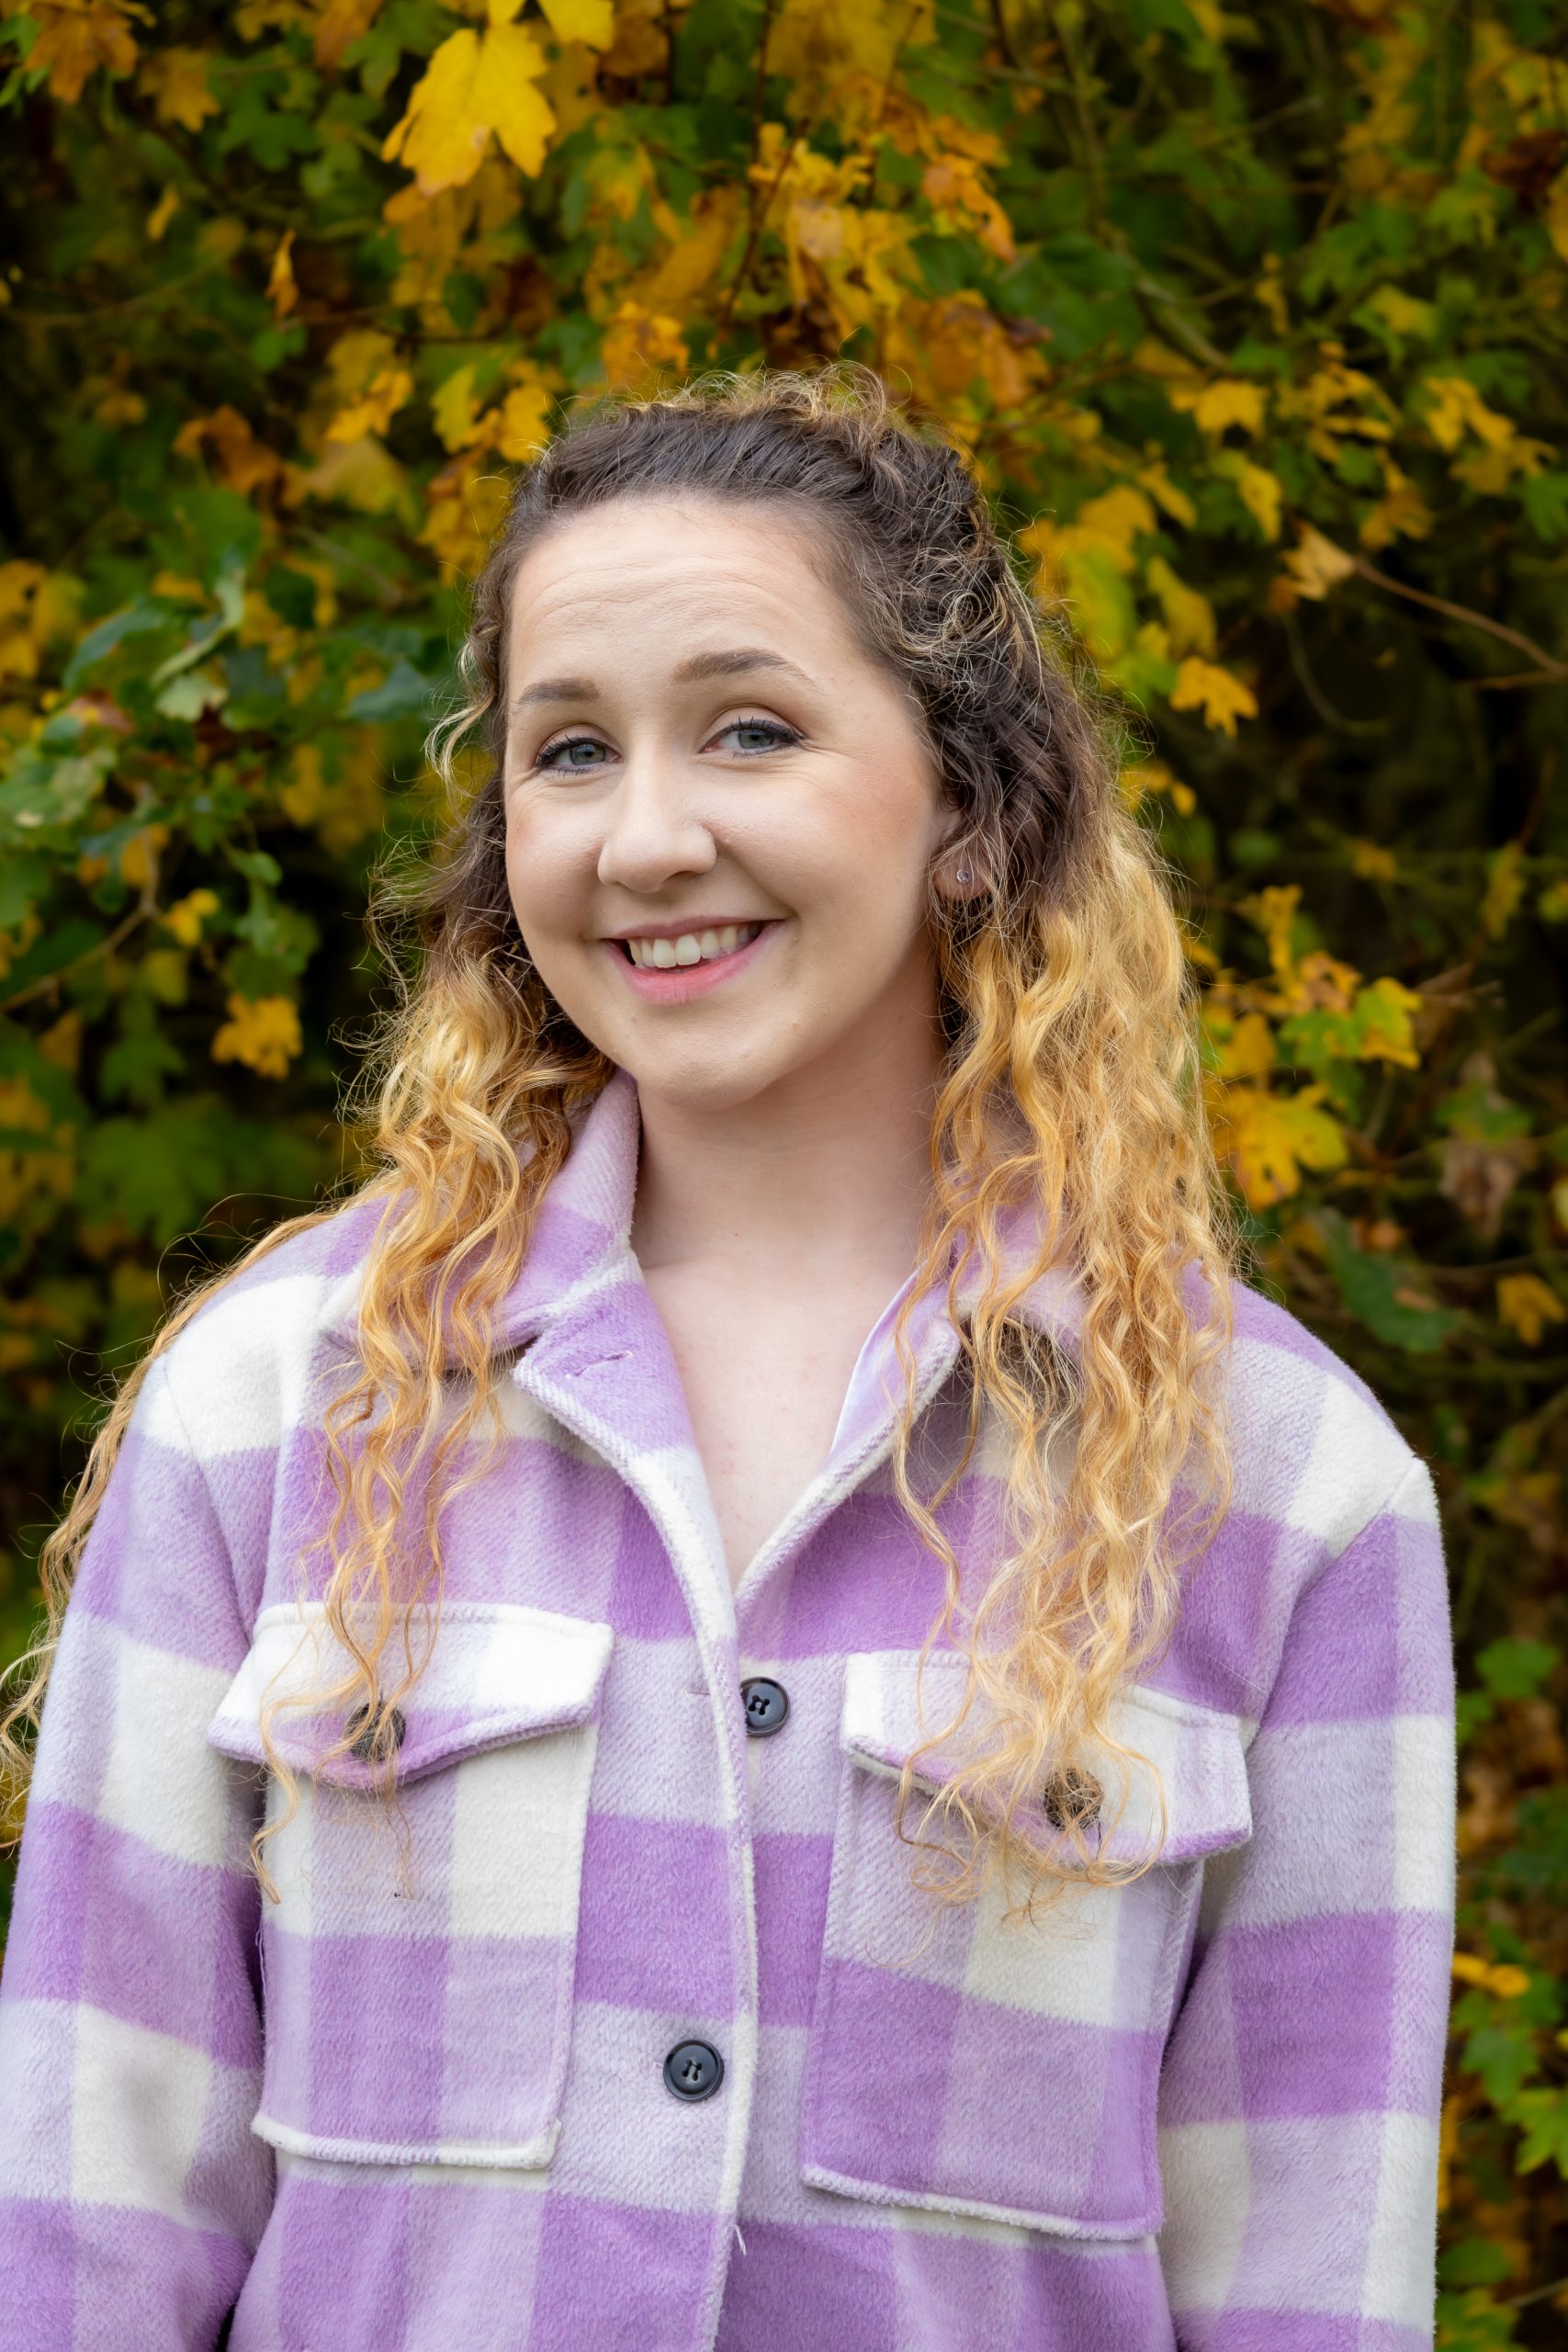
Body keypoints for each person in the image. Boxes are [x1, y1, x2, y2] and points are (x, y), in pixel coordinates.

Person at [0, 368, 1455, 2351]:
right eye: (569, 750)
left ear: (962, 804)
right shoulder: (266, 1406)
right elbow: (88, 2215)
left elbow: (1306, 2274)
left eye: (749, 728)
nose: (647, 834)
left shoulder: (1282, 1485)